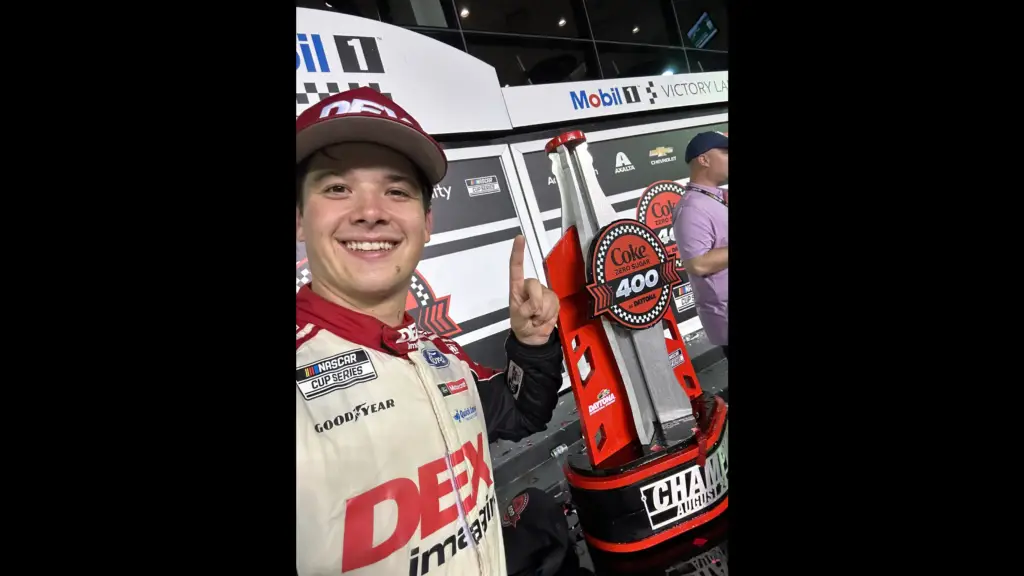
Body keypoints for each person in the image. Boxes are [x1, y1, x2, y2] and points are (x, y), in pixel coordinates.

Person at [295, 87, 573, 576]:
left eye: (396, 190)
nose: (370, 210)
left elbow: (523, 416)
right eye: (337, 187)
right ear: (299, 217)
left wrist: (532, 345)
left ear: (427, 223)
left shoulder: (435, 354)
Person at [673, 131, 729, 359]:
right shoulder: (691, 208)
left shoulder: (716, 197)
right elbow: (698, 264)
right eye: (725, 153)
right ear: (704, 160)